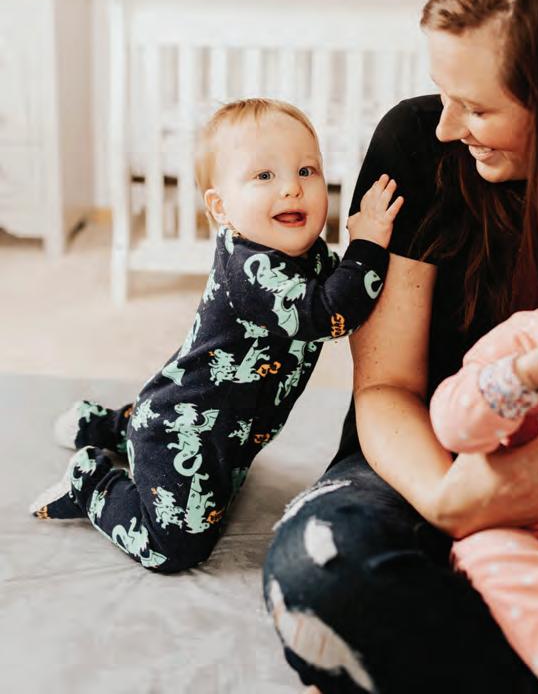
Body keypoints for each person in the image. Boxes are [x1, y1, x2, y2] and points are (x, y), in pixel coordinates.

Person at [263, 0, 538, 694]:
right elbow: (387, 388)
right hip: (422, 461)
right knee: (319, 571)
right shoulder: (418, 143)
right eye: (445, 94)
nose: (449, 125)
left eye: (476, 107)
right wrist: (454, 501)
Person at [29, 98, 403, 573]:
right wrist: (367, 245)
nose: (292, 187)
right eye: (264, 175)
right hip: (181, 432)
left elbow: (344, 290)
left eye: (307, 170)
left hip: (220, 430)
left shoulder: (305, 254)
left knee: (206, 476)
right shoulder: (250, 270)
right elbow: (329, 314)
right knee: (173, 548)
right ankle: (92, 483)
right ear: (221, 207)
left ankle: (109, 425)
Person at [429, 201, 538, 693]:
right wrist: (524, 379)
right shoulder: (523, 346)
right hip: (529, 543)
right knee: (487, 553)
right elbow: (453, 425)